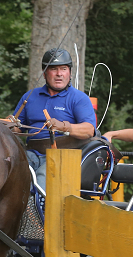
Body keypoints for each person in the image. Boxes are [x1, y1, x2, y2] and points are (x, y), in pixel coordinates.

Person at [13, 48, 97, 192]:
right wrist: (5, 124)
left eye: (63, 69)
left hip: (63, 155)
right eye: (53, 69)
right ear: (45, 73)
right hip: (30, 154)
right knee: (8, 173)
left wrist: (64, 126)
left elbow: (89, 130)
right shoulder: (30, 96)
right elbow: (17, 128)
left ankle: (37, 207)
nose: (59, 74)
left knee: (41, 180)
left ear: (70, 72)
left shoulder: (79, 98)